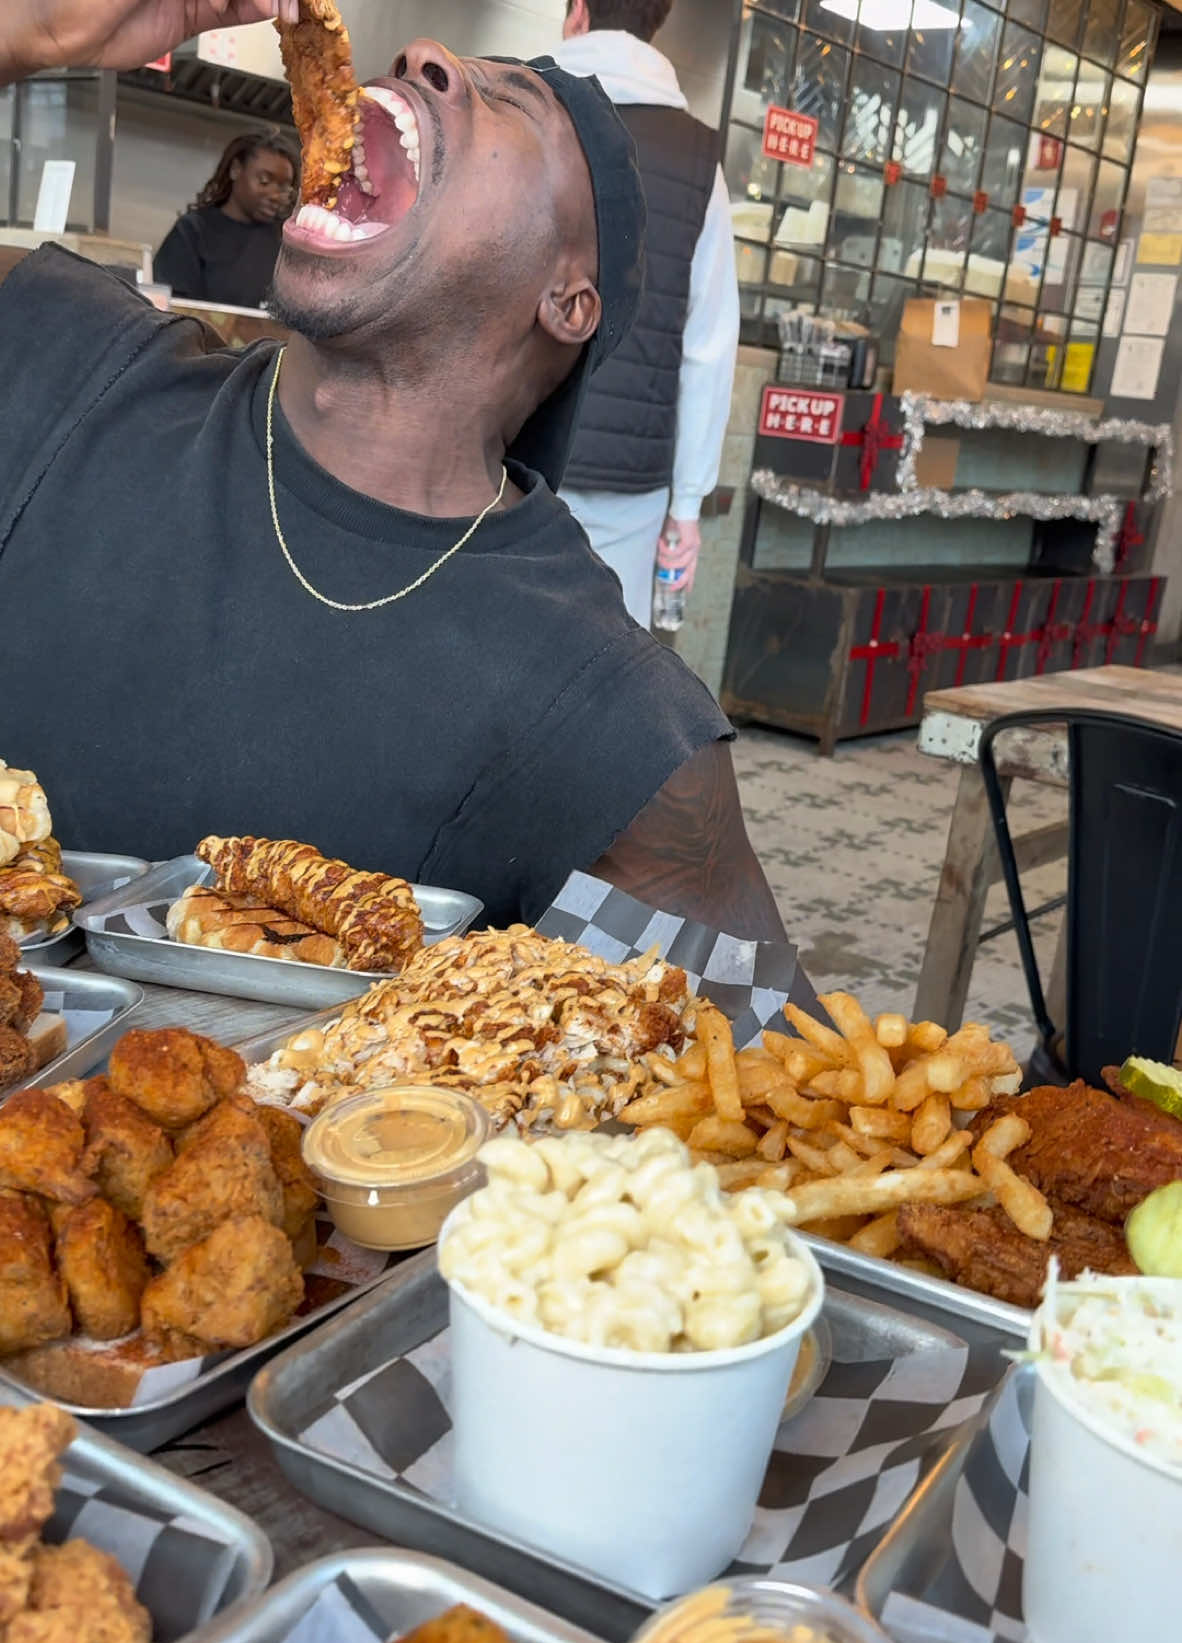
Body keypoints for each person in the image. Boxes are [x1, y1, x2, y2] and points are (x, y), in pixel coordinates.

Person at [0, 0, 784, 946]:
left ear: (568, 300)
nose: (425, 56)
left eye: (513, 102)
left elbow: (753, 1066)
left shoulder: (607, 715)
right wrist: (24, 35)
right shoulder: (71, 360)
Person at [554, 0, 740, 628]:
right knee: (603, 668)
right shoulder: (696, 157)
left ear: (577, 11)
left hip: (497, 448)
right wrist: (686, 506)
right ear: (656, 21)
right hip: (628, 486)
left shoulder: (509, 105)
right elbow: (709, 340)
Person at [154, 128, 299, 308]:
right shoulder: (193, 231)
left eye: (284, 187)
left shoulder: (285, 243)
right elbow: (171, 308)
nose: (275, 195)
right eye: (264, 181)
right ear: (236, 170)